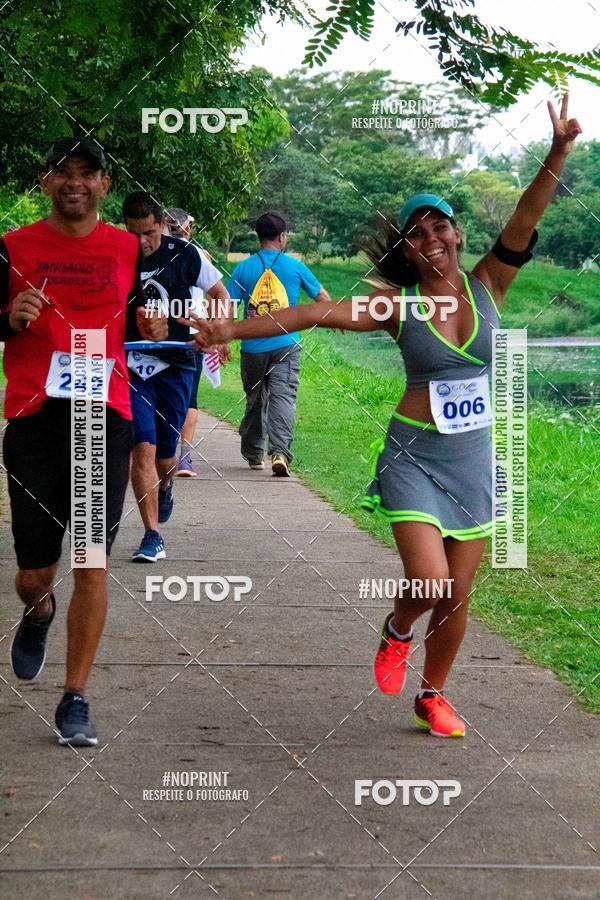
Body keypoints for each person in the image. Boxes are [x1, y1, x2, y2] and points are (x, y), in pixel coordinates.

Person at [186, 96, 581, 737]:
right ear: (407, 249)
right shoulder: (397, 306)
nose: (431, 241)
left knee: (458, 594)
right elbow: (313, 314)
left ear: (456, 234)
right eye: (417, 234)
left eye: (440, 228)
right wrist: (230, 326)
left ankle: (433, 695)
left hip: (476, 459)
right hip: (415, 457)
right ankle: (397, 629)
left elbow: (525, 214)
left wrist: (558, 152)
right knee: (428, 582)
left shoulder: (489, 285)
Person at [0, 138, 167, 746]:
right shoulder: (13, 246)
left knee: (91, 562)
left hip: (103, 417)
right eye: (61, 172)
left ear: (104, 185)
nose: (74, 182)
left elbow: (136, 313)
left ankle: (76, 698)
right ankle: (38, 608)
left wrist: (148, 323)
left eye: (87, 173)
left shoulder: (127, 247)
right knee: (33, 570)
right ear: (45, 182)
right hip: (36, 420)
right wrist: (8, 318)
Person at [123, 193, 230, 560]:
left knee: (166, 457)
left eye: (149, 233)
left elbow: (219, 294)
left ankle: (166, 487)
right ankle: (152, 535)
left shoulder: (186, 254)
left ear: (163, 225)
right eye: (134, 233)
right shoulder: (118, 254)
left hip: (178, 362)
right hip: (132, 362)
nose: (142, 242)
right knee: (143, 448)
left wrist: (218, 330)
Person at [227, 212, 331, 476]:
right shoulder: (294, 266)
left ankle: (253, 454)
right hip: (287, 344)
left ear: (258, 237)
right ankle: (280, 453)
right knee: (283, 396)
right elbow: (321, 296)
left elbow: (226, 305)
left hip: (252, 347)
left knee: (255, 399)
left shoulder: (243, 268)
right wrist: (335, 318)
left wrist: (223, 338)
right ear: (282, 237)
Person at [164, 207, 219, 478]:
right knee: (190, 399)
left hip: (159, 335)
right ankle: (184, 459)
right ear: (187, 228)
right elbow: (215, 295)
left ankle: (159, 454)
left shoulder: (153, 253)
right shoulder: (200, 255)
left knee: (159, 395)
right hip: (191, 336)